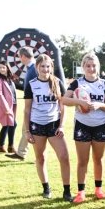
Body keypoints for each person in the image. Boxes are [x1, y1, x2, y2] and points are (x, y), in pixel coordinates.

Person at [62, 53, 105, 203]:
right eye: (88, 66)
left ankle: (98, 188)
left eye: (94, 65)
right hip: (82, 125)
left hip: (101, 125)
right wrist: (79, 102)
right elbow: (64, 99)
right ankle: (81, 192)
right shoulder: (77, 83)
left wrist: (100, 105)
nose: (91, 68)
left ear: (98, 66)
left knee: (98, 159)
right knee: (82, 160)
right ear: (83, 67)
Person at [24, 54, 72, 201]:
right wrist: (27, 131)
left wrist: (62, 125)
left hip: (54, 125)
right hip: (37, 126)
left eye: (48, 66)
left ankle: (67, 190)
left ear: (52, 67)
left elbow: (62, 107)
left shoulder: (57, 82)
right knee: (41, 158)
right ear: (37, 67)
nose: (45, 69)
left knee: (64, 157)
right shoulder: (31, 84)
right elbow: (27, 109)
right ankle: (46, 188)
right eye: (42, 66)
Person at [6, 47, 36, 161]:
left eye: (19, 56)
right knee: (26, 129)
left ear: (23, 56)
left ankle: (37, 156)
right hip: (31, 104)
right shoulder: (30, 68)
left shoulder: (34, 68)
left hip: (34, 105)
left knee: (31, 130)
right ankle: (21, 153)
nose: (19, 58)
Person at [0, 61, 17, 153]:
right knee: (11, 125)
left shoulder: (9, 79)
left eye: (3, 67)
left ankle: (2, 146)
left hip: (13, 105)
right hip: (5, 107)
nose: (2, 69)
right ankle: (9, 146)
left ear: (7, 68)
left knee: (8, 125)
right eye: (0, 68)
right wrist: (6, 107)